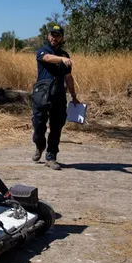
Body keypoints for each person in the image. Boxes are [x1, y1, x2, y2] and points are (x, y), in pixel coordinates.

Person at [32, 24, 80, 170]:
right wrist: (61, 59)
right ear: (48, 36)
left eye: (57, 35)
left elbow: (68, 77)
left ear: (62, 38)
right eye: (52, 35)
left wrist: (74, 96)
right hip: (42, 95)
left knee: (56, 127)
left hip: (58, 96)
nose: (54, 37)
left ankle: (51, 156)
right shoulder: (43, 51)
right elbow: (47, 58)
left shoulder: (66, 56)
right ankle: (40, 145)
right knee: (38, 125)